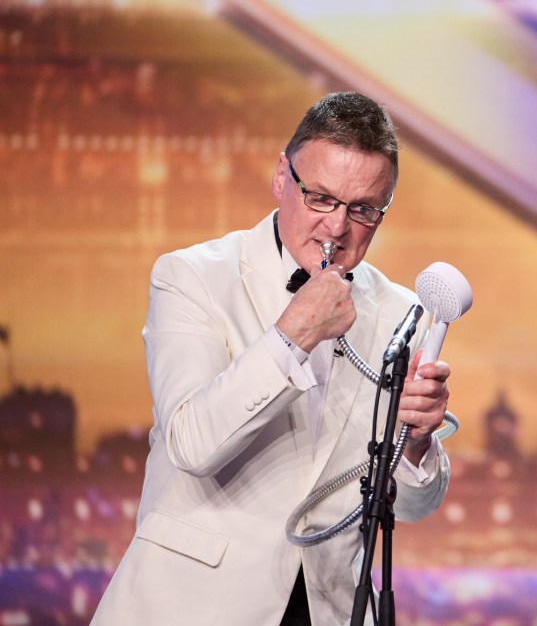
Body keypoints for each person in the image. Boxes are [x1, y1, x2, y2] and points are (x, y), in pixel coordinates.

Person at [92, 92, 452, 625]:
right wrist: (293, 334)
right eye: (321, 198)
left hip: (326, 609)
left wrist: (417, 442)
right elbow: (192, 443)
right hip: (191, 607)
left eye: (363, 210)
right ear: (282, 176)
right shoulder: (193, 277)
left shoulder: (403, 313)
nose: (338, 227)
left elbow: (411, 507)